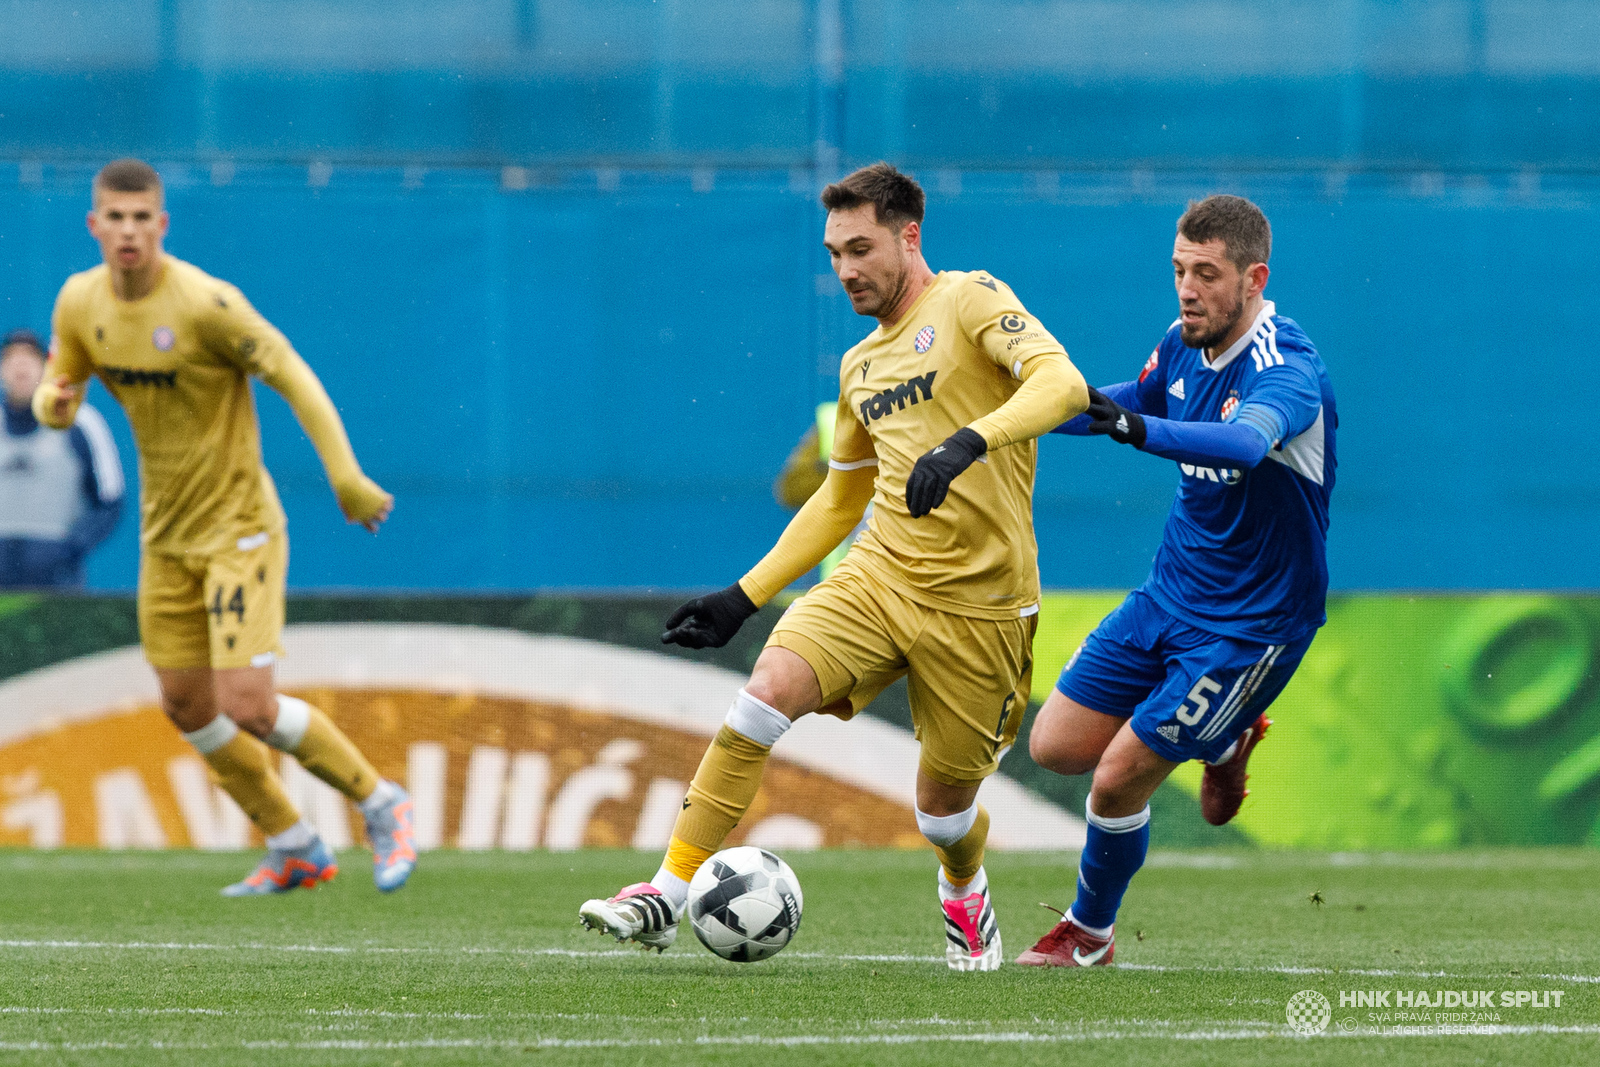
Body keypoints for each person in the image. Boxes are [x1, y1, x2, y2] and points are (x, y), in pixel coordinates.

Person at [580, 162, 1088, 971]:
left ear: (908, 235)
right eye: (834, 253)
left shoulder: (972, 299)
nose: (846, 269)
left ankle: (964, 888)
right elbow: (840, 502)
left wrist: (970, 440)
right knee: (764, 695)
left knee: (945, 812)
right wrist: (743, 597)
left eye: (861, 247)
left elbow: (1064, 385)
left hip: (982, 609)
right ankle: (665, 893)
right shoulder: (858, 367)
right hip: (878, 578)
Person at [32, 159, 416, 896]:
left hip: (239, 529)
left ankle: (380, 802)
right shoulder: (80, 302)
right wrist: (54, 401)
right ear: (95, 226)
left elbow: (292, 373)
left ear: (162, 224)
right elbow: (64, 375)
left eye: (143, 217)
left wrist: (345, 476)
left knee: (248, 704)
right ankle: (294, 842)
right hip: (165, 537)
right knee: (185, 703)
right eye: (115, 218)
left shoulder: (206, 304)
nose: (129, 231)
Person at [1017, 195, 1337, 967]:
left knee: (1116, 778)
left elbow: (1240, 443)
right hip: (1168, 594)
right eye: (1178, 271)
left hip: (1250, 628)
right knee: (1054, 746)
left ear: (1254, 279)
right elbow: (1133, 402)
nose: (1187, 289)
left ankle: (1089, 934)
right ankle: (1224, 738)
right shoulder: (1182, 342)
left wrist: (1136, 431)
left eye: (1206, 274)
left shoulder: (1287, 370)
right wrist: (1029, 411)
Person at [0, 328, 124, 587]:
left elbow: (110, 499)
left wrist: (68, 549)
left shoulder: (80, 422)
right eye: (11, 359)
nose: (20, 366)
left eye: (30, 358)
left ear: (46, 368)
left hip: (58, 589)